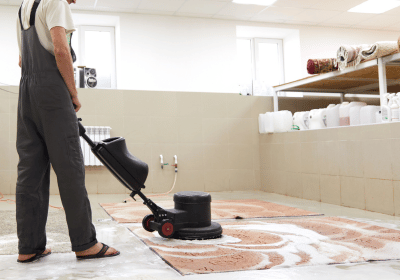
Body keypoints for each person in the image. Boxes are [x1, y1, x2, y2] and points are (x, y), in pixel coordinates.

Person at [15, 0, 119, 262]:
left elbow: (20, 60)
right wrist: (72, 93)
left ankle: (29, 247)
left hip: (26, 93)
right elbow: (61, 50)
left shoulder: (25, 6)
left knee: (30, 172)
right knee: (70, 168)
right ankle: (85, 243)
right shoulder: (56, 2)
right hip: (52, 91)